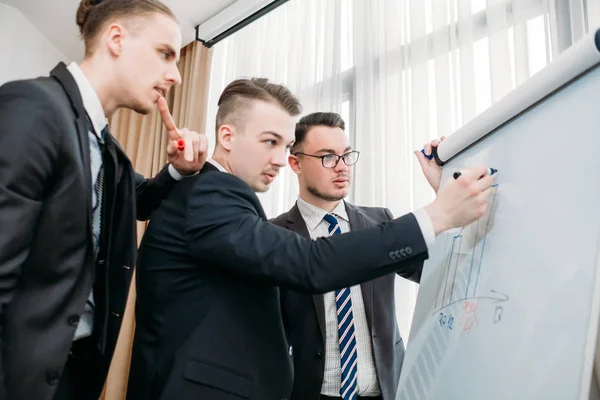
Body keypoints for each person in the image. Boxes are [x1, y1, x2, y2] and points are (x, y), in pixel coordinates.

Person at [128, 77, 493, 400]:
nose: (276, 158)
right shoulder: (222, 202)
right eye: (269, 142)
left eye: (282, 145)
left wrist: (445, 198)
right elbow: (312, 263)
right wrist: (438, 212)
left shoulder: (377, 222)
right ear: (227, 136)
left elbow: (438, 273)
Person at [0, 1, 208, 399]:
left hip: (74, 371)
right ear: (116, 38)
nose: (176, 76)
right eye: (165, 54)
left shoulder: (109, 150)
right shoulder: (35, 107)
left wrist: (180, 170)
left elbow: (139, 201)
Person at [271, 112, 444, 400]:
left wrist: (444, 190)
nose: (342, 168)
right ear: (295, 163)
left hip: (385, 392)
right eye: (328, 157)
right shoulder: (274, 234)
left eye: (347, 155)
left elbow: (435, 271)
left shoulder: (380, 223)